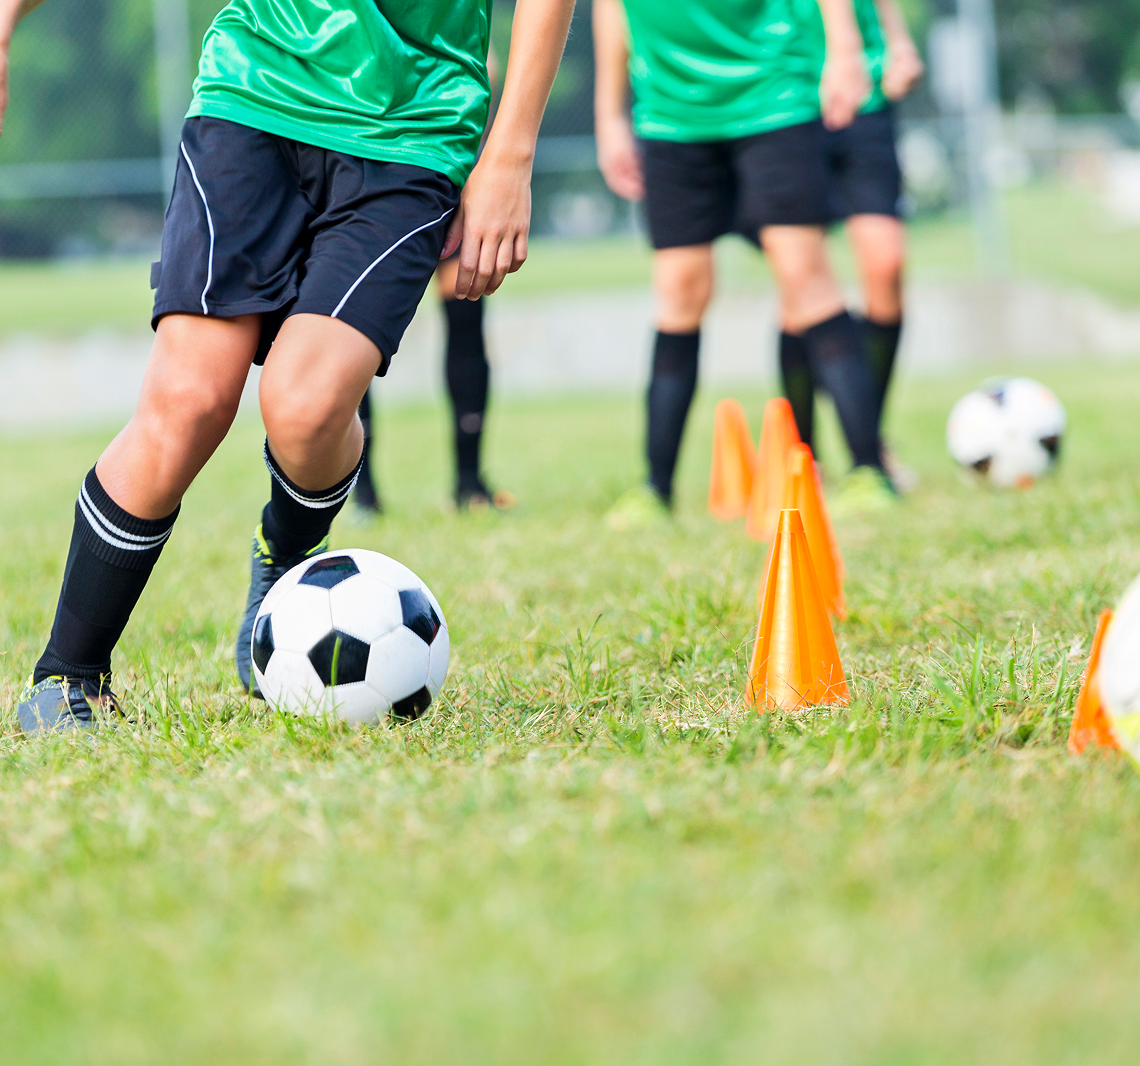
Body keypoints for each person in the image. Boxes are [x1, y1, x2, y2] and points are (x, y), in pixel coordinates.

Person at [3, 0, 576, 730]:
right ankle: (69, 677)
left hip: (413, 124)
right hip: (255, 89)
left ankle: (287, 551)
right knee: (190, 400)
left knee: (305, 409)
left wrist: (511, 154)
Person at [594, 0, 896, 529]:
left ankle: (869, 470)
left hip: (772, 98)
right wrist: (608, 116)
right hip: (670, 113)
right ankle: (655, 488)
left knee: (805, 277)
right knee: (679, 288)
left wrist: (844, 50)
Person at [351, 47, 514, 518]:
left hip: (443, 151)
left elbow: (487, 61)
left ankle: (469, 485)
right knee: (354, 325)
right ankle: (362, 493)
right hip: (369, 148)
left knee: (465, 314)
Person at [779, 0, 923, 488]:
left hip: (865, 91)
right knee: (799, 288)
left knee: (886, 264)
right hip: (787, 95)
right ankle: (803, 459)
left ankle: (868, 440)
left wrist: (897, 38)